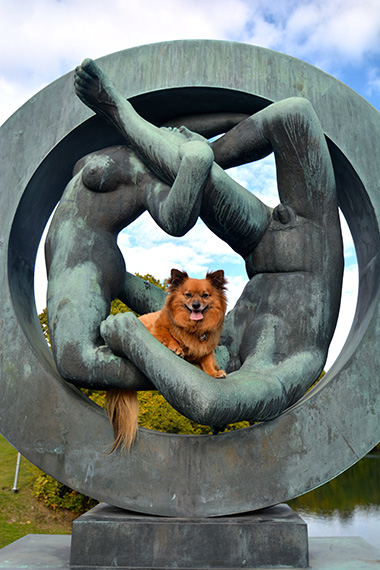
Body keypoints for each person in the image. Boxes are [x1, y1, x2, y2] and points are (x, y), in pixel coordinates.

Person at [49, 58, 344, 430]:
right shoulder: (279, 359)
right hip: (304, 239)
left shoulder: (283, 366)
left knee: (199, 169)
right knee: (292, 115)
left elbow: (207, 400)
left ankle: (189, 157)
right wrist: (131, 336)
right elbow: (209, 397)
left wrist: (126, 303)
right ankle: (169, 141)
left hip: (267, 247)